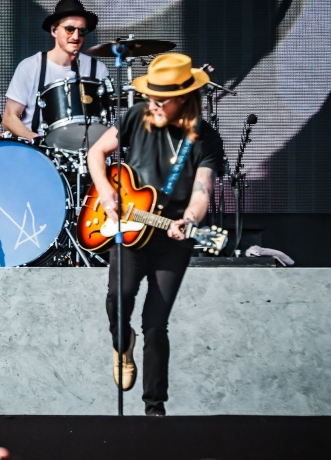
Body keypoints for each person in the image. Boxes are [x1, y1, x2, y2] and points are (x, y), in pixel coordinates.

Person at [86, 53, 224, 416]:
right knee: (119, 297)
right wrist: (104, 189)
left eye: (161, 99)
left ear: (184, 97)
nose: (153, 104)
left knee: (156, 325)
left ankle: (154, 409)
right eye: (150, 96)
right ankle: (121, 341)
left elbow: (202, 191)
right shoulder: (136, 117)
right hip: (129, 231)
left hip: (169, 239)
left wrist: (190, 221)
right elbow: (97, 153)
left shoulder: (205, 139)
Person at [3, 0, 108, 140]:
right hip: (37, 151)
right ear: (54, 30)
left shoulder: (98, 69)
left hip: (83, 154)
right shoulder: (30, 67)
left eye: (82, 31)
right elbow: (9, 118)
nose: (76, 36)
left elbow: (105, 119)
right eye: (70, 29)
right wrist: (34, 138)